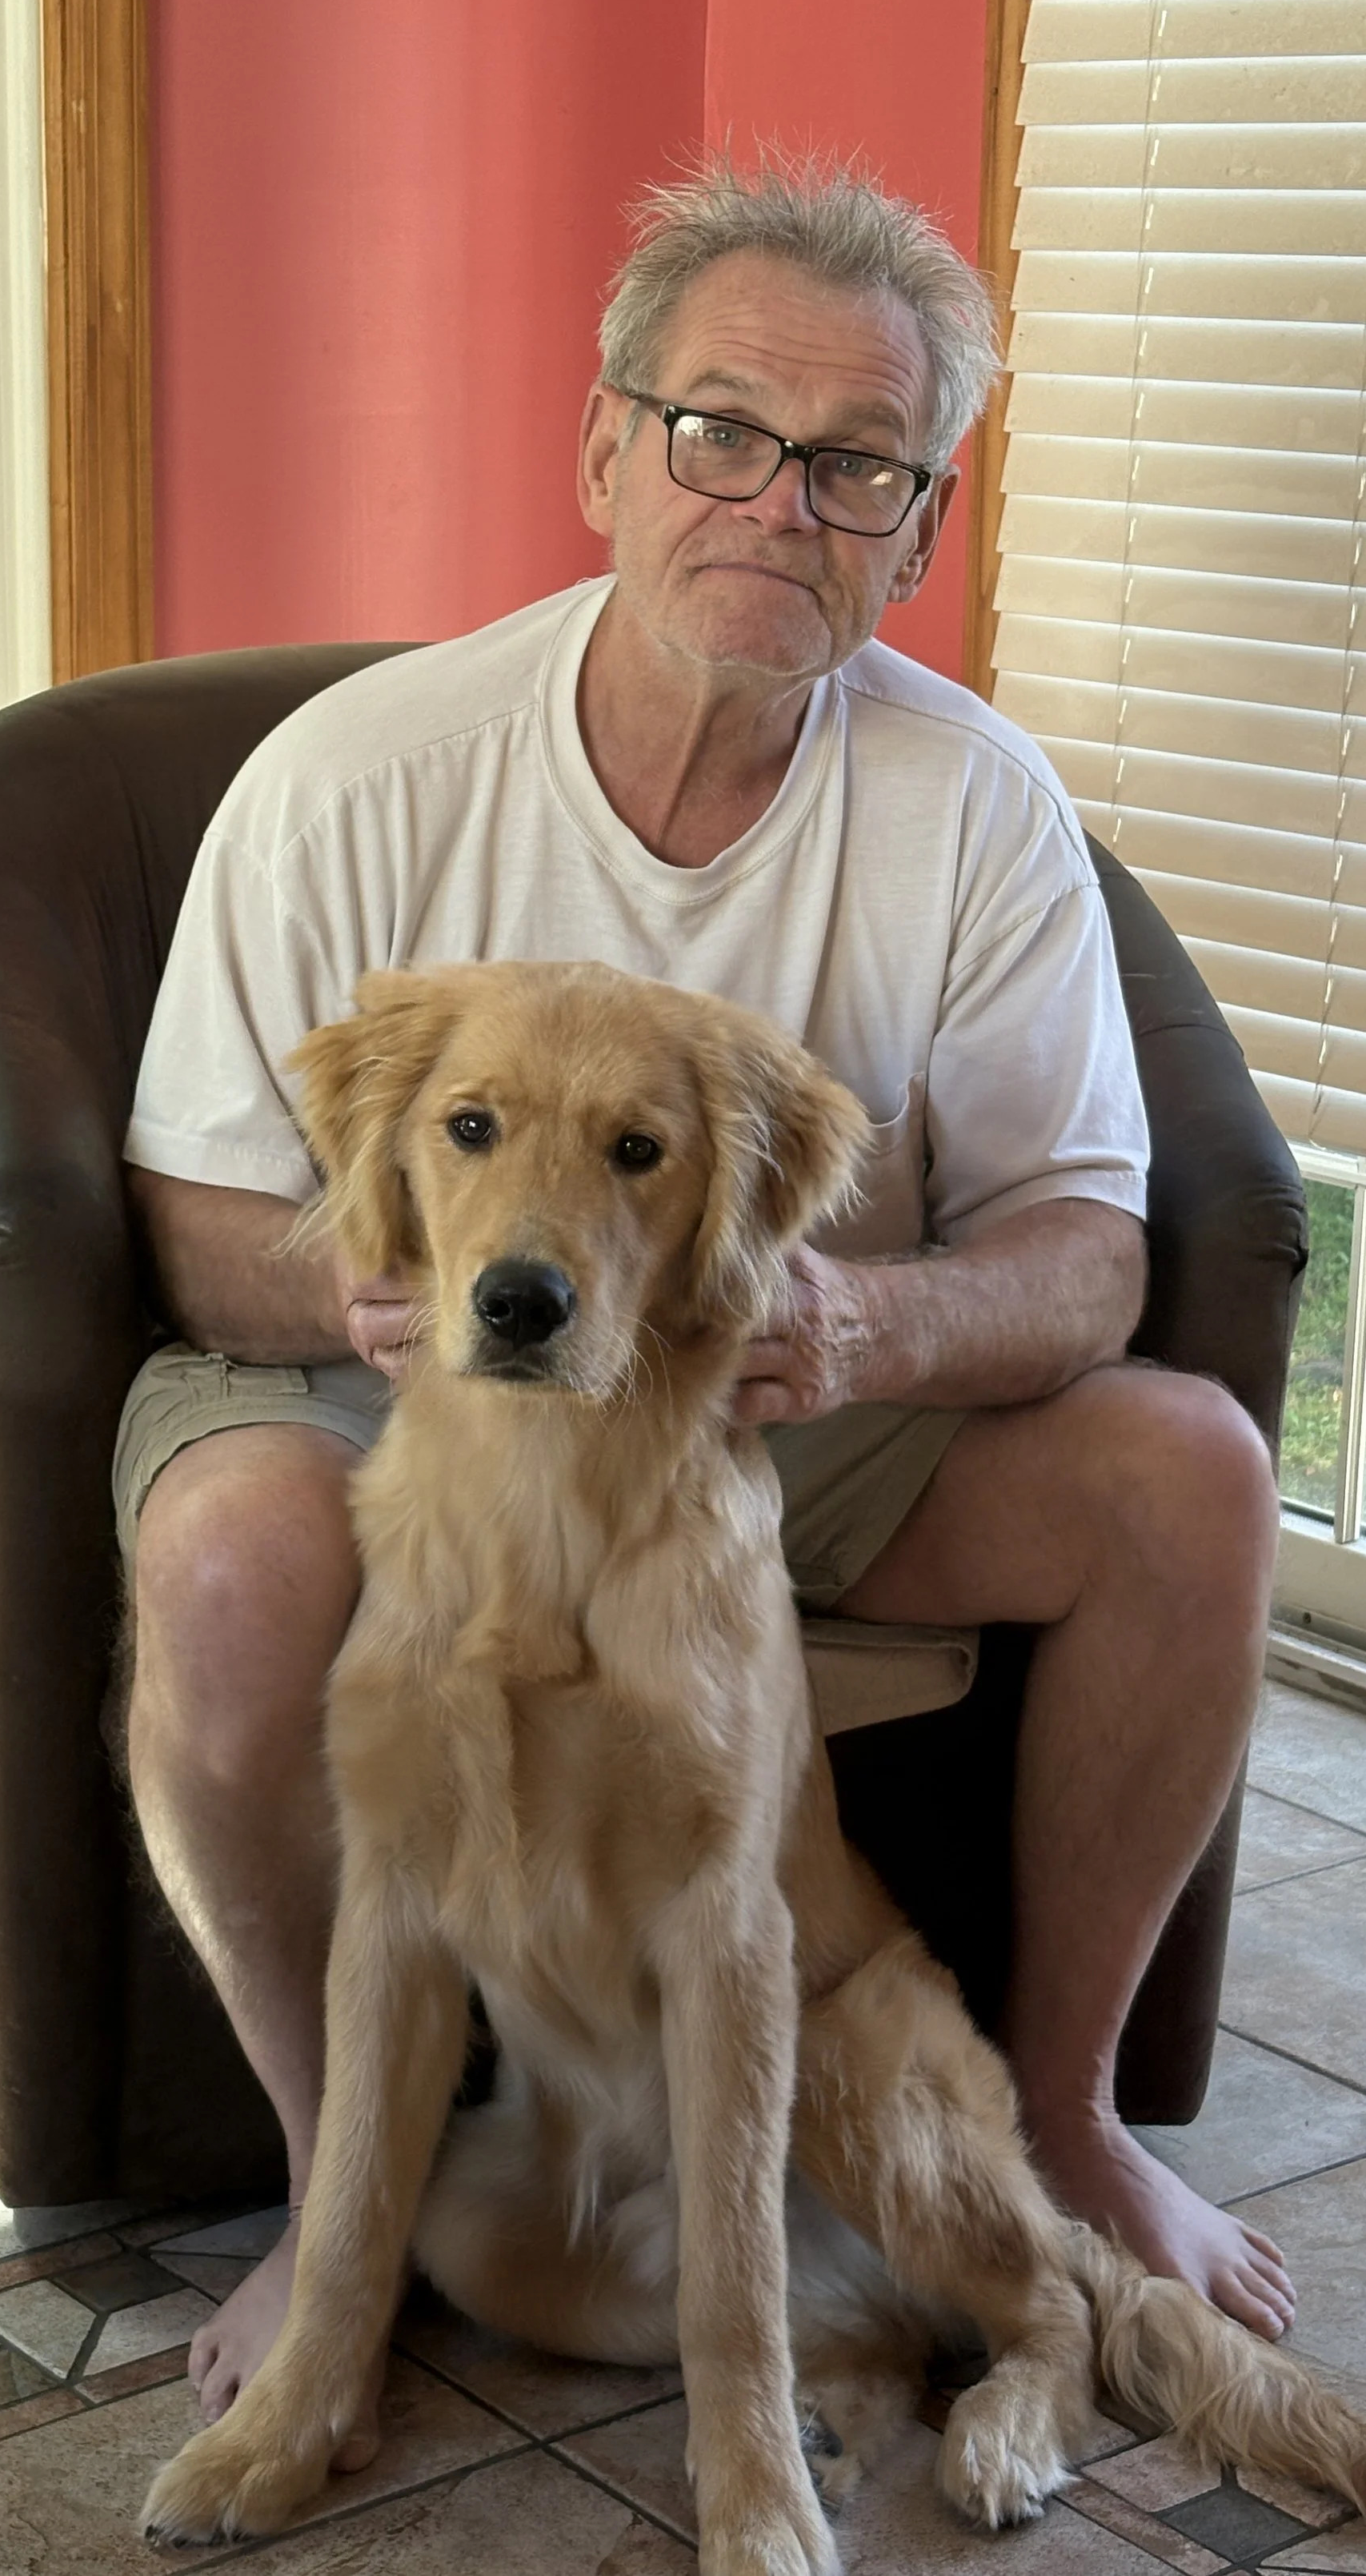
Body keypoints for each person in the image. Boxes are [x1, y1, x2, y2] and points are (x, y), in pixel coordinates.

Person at [117, 156, 1290, 2450]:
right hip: (394, 1401)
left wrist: (878, 1331)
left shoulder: (975, 809)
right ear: (602, 452)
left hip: (773, 1405)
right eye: (720, 429)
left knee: (1191, 1475)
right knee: (236, 1556)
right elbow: (186, 1221)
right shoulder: (359, 781)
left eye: (859, 462)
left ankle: (1054, 2119)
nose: (780, 501)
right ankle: (317, 2183)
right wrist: (382, 1279)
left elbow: (1091, 1247)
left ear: (916, 527)